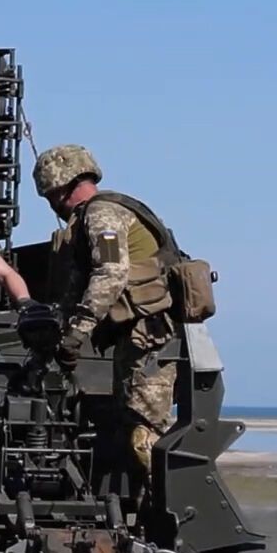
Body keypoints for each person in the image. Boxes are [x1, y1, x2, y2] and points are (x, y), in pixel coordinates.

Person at [32, 143, 179, 476]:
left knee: (144, 440)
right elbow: (77, 287)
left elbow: (111, 272)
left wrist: (78, 332)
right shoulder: (90, 218)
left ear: (60, 188)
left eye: (49, 197)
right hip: (135, 339)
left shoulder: (102, 215)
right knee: (127, 431)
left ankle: (165, 523)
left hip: (152, 339)